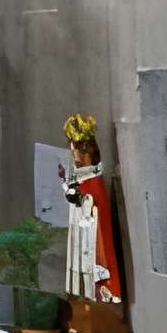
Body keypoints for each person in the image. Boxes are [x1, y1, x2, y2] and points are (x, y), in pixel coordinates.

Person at [61, 113, 122, 304]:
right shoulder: (84, 177)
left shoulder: (94, 180)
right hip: (84, 227)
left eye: (75, 149)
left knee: (99, 250)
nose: (73, 154)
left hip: (92, 227)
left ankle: (105, 289)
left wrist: (77, 196)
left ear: (85, 150)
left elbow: (91, 201)